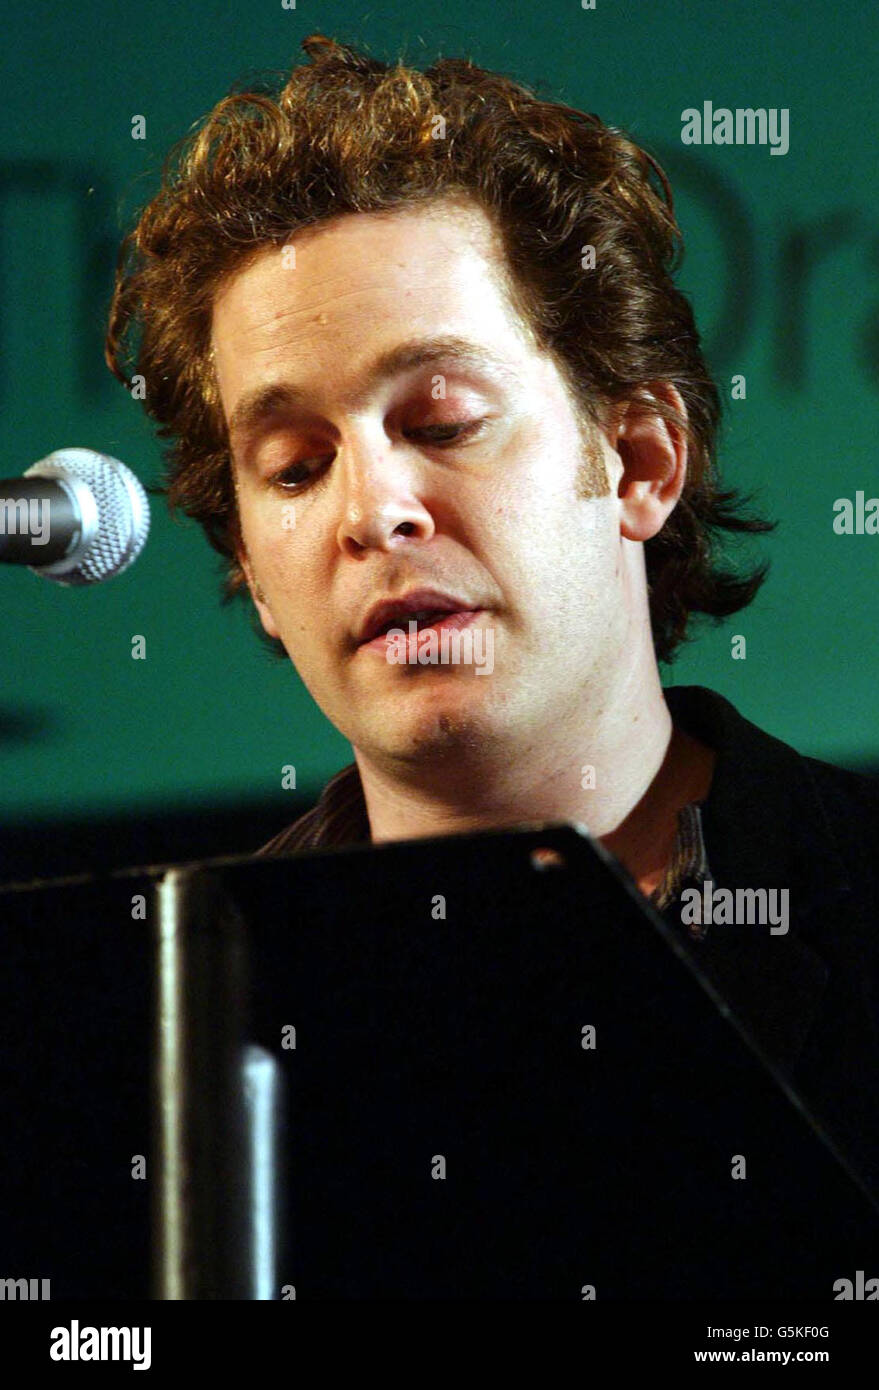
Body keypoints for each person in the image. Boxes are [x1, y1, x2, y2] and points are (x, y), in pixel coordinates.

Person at [105, 34, 879, 1201]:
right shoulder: (163, 1017)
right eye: (297, 464)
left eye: (442, 420)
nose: (372, 511)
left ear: (637, 459)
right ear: (256, 573)